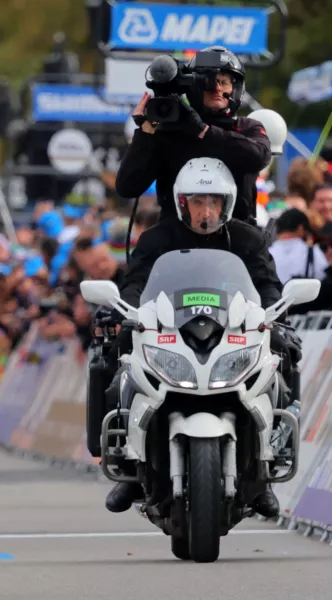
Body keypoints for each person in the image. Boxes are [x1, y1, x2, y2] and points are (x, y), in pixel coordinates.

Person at [96, 158, 288, 519]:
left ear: (227, 204)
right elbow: (135, 283)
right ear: (182, 204)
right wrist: (126, 311)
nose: (206, 210)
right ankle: (128, 462)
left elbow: (268, 285)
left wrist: (276, 313)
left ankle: (264, 473)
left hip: (232, 334)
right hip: (170, 332)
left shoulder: (247, 239)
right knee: (114, 358)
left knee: (283, 355)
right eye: (197, 202)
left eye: (213, 202)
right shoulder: (157, 238)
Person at [115, 46, 272, 225]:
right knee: (145, 248)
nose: (217, 88)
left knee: (259, 249)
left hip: (237, 234)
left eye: (223, 82)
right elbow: (127, 187)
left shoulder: (247, 127)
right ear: (194, 87)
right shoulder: (170, 133)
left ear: (235, 88)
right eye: (209, 82)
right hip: (176, 235)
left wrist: (203, 131)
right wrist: (146, 132)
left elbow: (259, 157)